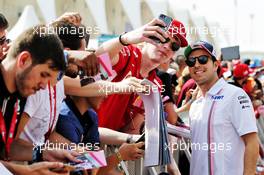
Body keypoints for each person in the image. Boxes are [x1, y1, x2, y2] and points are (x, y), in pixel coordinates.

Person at [0, 25, 81, 174]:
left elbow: (7, 149)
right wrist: (26, 171)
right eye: (43, 75)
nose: (44, 87)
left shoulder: (20, 94)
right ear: (24, 60)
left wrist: (43, 152)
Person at [96, 17, 188, 134]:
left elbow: (132, 128)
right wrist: (124, 39)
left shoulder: (156, 84)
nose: (166, 46)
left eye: (174, 46)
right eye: (162, 38)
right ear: (147, 38)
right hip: (82, 138)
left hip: (109, 145)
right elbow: (99, 57)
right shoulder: (128, 52)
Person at [184, 41, 259, 175]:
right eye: (191, 61)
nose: (196, 64)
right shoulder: (195, 105)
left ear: (215, 65)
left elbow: (252, 141)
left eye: (202, 59)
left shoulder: (235, 95)